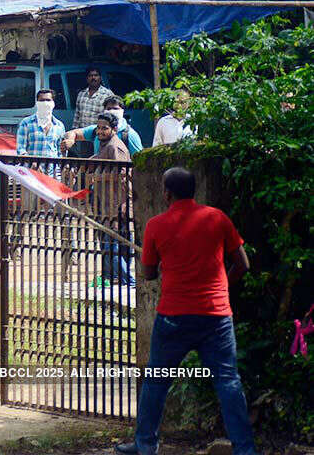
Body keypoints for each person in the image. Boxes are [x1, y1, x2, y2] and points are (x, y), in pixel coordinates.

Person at [116, 167, 256, 455]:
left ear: (166, 193)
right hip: (216, 317)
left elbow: (149, 274)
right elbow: (243, 264)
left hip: (174, 318)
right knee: (228, 381)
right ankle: (245, 450)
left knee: (155, 382)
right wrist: (221, 288)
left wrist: (157, 258)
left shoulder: (156, 225)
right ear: (194, 190)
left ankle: (145, 446)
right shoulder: (217, 218)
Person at [89, 111, 133, 286]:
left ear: (114, 129)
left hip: (116, 203)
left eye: (104, 128)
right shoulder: (104, 145)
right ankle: (113, 278)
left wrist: (96, 178)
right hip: (104, 202)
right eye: (98, 128)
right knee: (108, 243)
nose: (100, 132)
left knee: (113, 243)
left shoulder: (115, 147)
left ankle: (127, 280)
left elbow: (121, 174)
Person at [62, 95, 142, 157]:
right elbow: (73, 133)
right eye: (109, 108)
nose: (112, 111)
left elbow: (139, 159)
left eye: (115, 109)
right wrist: (71, 140)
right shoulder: (97, 130)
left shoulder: (130, 135)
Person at [70, 68, 114, 158]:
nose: (93, 78)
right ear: (87, 79)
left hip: (99, 136)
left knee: (98, 162)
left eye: (96, 75)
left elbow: (111, 116)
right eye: (90, 76)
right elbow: (77, 115)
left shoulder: (107, 94)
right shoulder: (81, 94)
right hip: (83, 137)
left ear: (100, 78)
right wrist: (74, 133)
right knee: (84, 163)